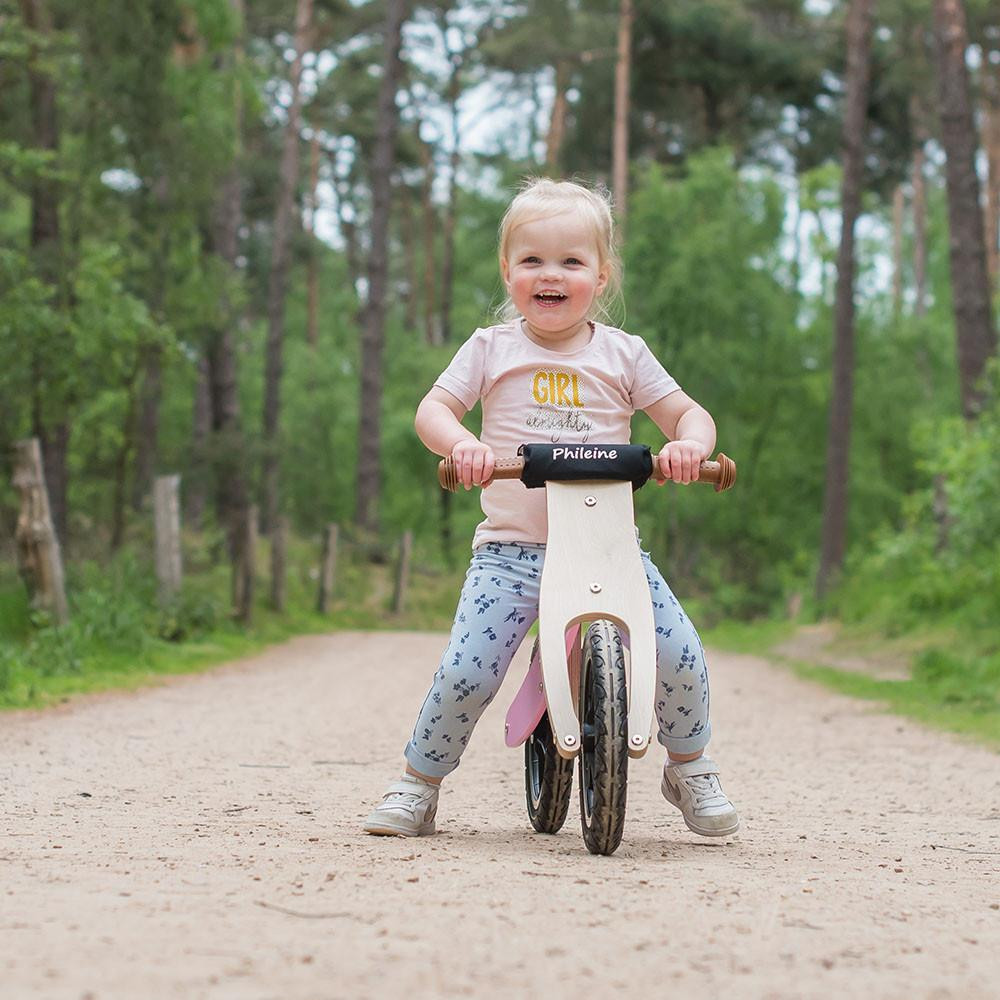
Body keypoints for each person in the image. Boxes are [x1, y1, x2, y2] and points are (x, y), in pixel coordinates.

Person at [363, 178, 738, 839]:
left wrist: (689, 446)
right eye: (532, 259)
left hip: (607, 549)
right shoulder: (491, 348)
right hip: (512, 553)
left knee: (677, 653)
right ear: (507, 270)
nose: (551, 274)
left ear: (602, 274)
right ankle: (419, 783)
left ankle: (689, 766)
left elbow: (688, 413)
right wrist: (463, 445)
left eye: (571, 261)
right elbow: (433, 409)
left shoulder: (624, 354)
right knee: (468, 671)